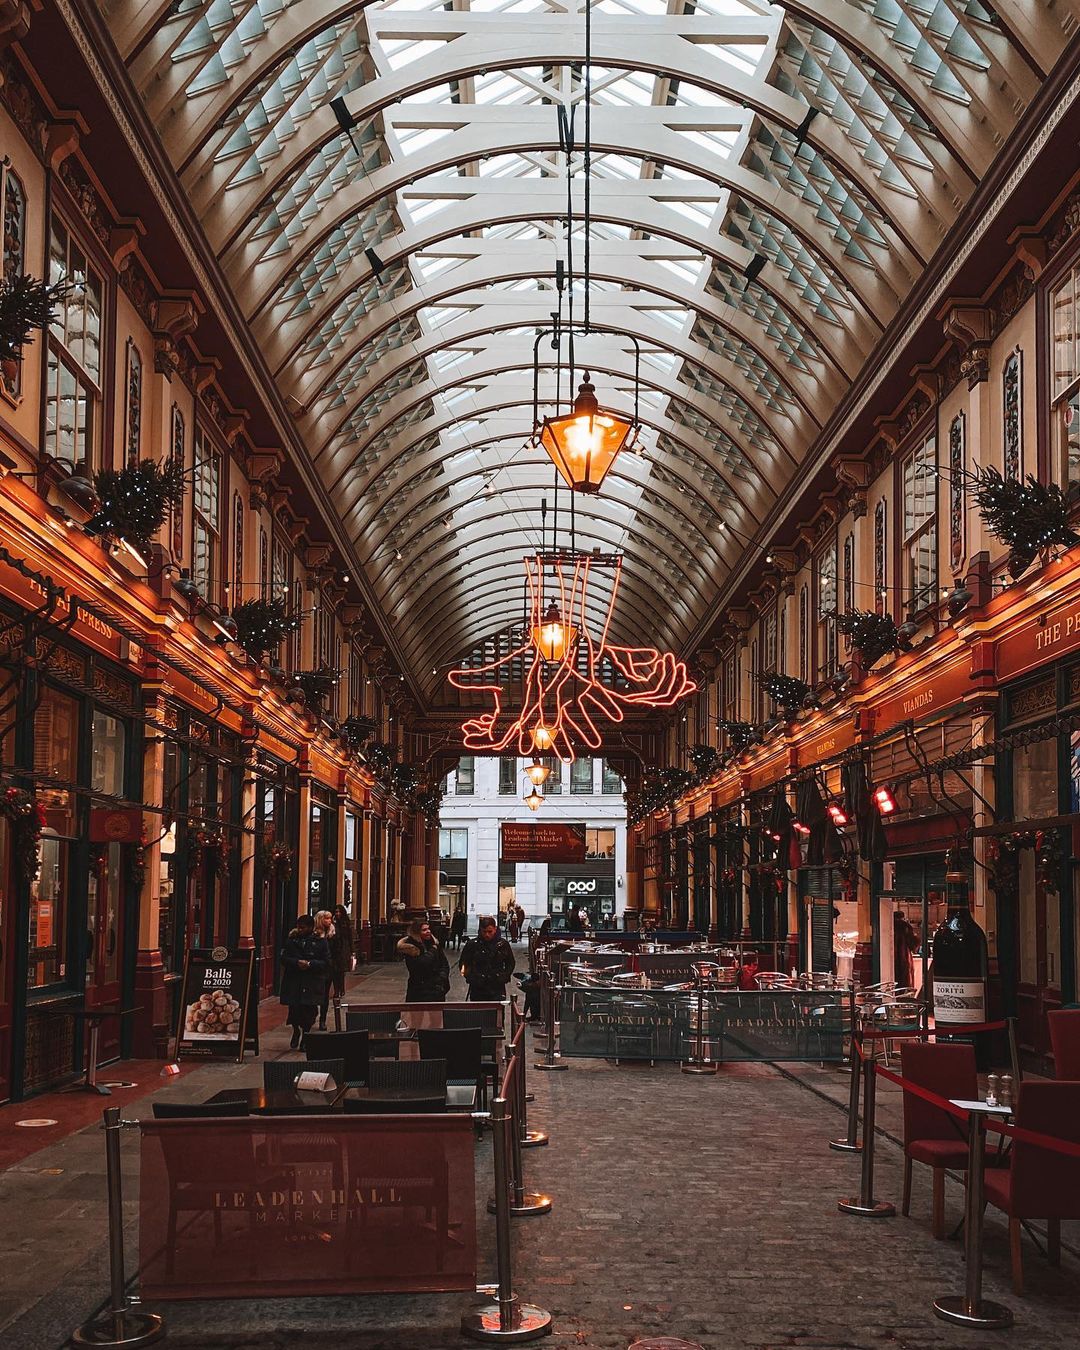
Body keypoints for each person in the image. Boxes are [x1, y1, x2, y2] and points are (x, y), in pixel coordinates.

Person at [280, 913, 331, 1049]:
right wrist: (296, 962)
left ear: (310, 927)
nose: (300, 930)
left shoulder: (320, 942)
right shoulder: (292, 940)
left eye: (302, 927)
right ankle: (296, 1030)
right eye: (298, 927)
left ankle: (306, 1035)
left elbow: (326, 962)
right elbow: (283, 958)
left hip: (311, 982)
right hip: (294, 981)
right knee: (294, 1010)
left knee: (308, 1011)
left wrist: (310, 964)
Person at [460, 915, 515, 1001]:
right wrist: (471, 977)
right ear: (480, 930)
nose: (487, 935)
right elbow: (463, 964)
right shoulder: (472, 945)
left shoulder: (503, 945)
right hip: (478, 987)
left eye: (490, 931)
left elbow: (510, 963)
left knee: (497, 1009)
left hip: (497, 987)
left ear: (495, 929)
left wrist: (504, 976)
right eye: (484, 931)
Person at [397, 918, 451, 1002]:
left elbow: (444, 963)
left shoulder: (434, 943)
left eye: (428, 929)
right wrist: (433, 950)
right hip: (419, 990)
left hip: (437, 989)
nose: (428, 931)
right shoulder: (411, 948)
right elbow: (423, 963)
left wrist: (442, 977)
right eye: (424, 930)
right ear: (417, 932)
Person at [325, 904, 354, 1025]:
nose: (337, 914)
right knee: (336, 970)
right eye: (335, 912)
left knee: (341, 971)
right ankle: (337, 990)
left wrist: (352, 951)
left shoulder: (346, 924)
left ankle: (340, 989)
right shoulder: (333, 924)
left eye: (339, 912)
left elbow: (350, 937)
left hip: (344, 950)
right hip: (335, 950)